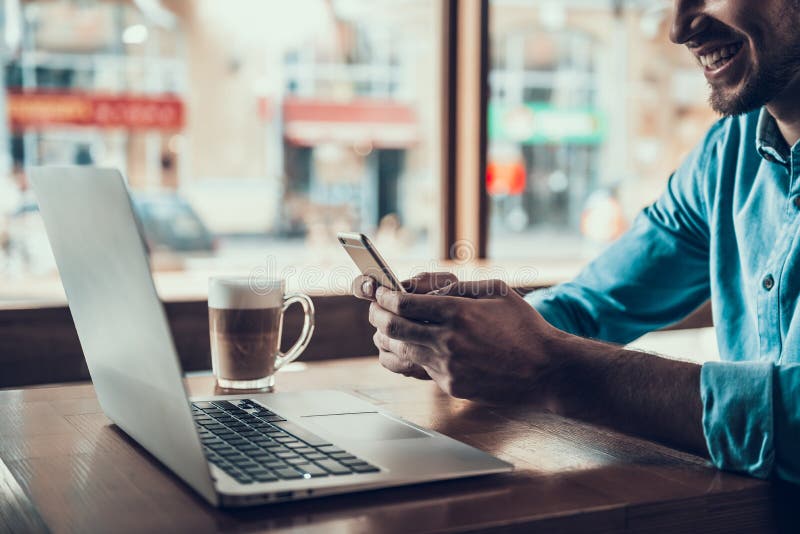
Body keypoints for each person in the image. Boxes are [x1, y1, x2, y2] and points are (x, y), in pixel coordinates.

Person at [353, 0, 800, 484]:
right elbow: (594, 304)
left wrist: (548, 368)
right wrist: (465, 334)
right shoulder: (727, 155)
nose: (679, 28)